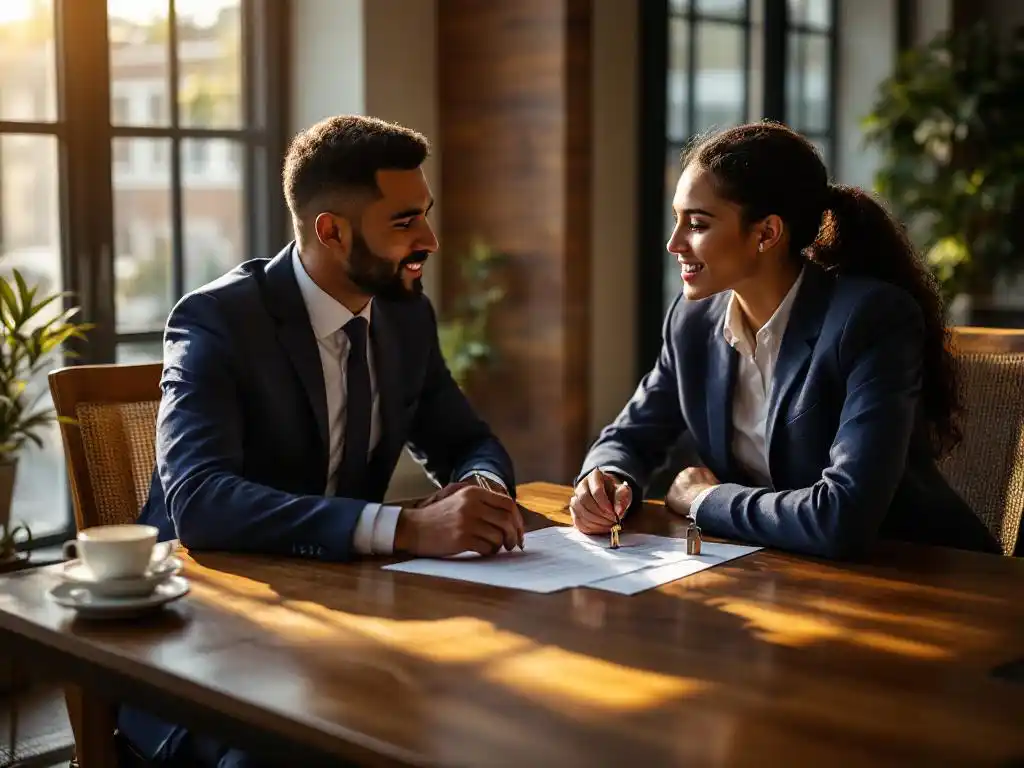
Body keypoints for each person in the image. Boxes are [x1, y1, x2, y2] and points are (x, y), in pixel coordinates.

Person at [119, 115, 521, 766]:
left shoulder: (404, 314)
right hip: (210, 643)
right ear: (330, 231)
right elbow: (201, 501)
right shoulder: (219, 320)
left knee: (488, 718)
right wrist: (403, 529)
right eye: (403, 222)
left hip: (344, 625)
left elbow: (465, 438)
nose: (430, 239)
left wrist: (481, 492)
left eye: (425, 214)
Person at [570, 121, 998, 560]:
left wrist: (703, 499)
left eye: (697, 224)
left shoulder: (869, 319)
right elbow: (631, 436)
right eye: (676, 219)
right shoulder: (692, 320)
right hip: (784, 571)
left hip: (921, 575)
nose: (674, 243)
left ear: (767, 234)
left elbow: (841, 517)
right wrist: (604, 479)